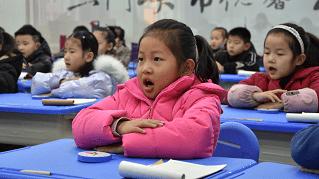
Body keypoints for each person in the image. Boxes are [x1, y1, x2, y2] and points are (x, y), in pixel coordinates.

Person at [72, 19, 226, 159]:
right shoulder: (128, 93)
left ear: (186, 67)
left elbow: (196, 136)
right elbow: (80, 124)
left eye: (157, 59)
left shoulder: (202, 97)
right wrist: (119, 126)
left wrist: (128, 142)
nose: (145, 68)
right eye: (141, 59)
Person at [226, 23, 319, 113]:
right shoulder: (259, 79)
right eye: (267, 52)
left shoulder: (313, 77)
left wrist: (282, 103)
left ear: (299, 59)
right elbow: (229, 95)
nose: (270, 59)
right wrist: (254, 96)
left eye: (280, 54)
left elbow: (316, 97)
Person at [31, 31, 129, 98]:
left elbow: (72, 89)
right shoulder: (68, 74)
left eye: (72, 52)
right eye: (65, 51)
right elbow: (36, 82)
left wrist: (51, 92)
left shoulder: (102, 78)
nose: (66, 56)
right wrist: (61, 81)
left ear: (89, 56)